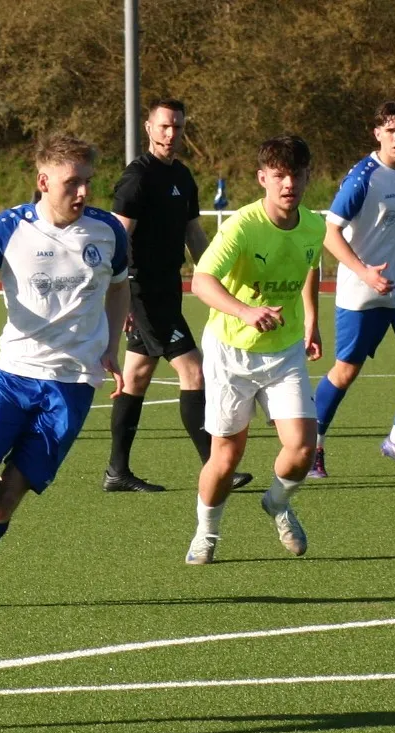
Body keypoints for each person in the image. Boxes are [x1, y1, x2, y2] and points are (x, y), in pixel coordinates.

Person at [0, 133, 129, 609]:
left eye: (88, 182)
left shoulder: (108, 231)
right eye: (72, 183)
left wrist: (111, 347)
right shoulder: (8, 228)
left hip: (73, 385)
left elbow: (118, 288)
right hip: (12, 375)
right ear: (43, 181)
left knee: (11, 492)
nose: (83, 193)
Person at [184, 134, 325, 565]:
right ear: (263, 178)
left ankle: (278, 502)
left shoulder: (314, 225)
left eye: (296, 176)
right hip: (232, 351)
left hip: (284, 351)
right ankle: (206, 533)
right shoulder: (241, 226)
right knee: (226, 456)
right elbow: (201, 281)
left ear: (307, 177)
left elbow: (307, 268)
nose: (289, 185)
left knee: (303, 447)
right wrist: (244, 311)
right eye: (279, 176)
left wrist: (313, 321)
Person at [105, 98, 252, 493]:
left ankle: (116, 472)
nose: (172, 134)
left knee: (136, 376)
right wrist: (124, 296)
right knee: (193, 370)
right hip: (143, 291)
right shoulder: (136, 178)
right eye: (165, 127)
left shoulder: (184, 178)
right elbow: (119, 238)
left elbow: (194, 235)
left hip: (168, 289)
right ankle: (216, 466)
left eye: (179, 128)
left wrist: (217, 276)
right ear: (149, 129)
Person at [311, 100, 395, 479]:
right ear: (377, 133)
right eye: (390, 130)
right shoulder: (363, 178)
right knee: (344, 373)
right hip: (361, 293)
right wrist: (364, 273)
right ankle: (313, 446)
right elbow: (330, 233)